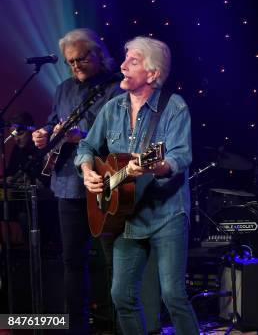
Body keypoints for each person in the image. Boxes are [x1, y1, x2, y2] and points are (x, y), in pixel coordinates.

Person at [76, 36, 199, 334]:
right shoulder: (112, 107)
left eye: (133, 61)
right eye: (124, 59)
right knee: (121, 296)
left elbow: (180, 156)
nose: (122, 66)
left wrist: (156, 165)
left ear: (153, 73)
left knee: (173, 295)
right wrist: (87, 170)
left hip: (167, 214)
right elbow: (87, 146)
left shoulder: (174, 106)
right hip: (126, 218)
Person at [31, 28, 123, 334]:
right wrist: (43, 135)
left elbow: (126, 138)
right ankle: (76, 328)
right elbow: (51, 122)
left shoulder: (116, 89)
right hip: (68, 184)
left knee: (115, 261)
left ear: (99, 54)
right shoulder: (63, 89)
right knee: (73, 261)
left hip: (105, 183)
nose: (75, 66)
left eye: (81, 59)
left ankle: (120, 325)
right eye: (70, 62)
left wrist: (83, 137)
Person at [5, 111, 40, 184]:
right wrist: (9, 178)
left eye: (20, 134)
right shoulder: (17, 149)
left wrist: (33, 181)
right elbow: (10, 171)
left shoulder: (41, 148)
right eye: (13, 135)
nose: (16, 139)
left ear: (31, 130)